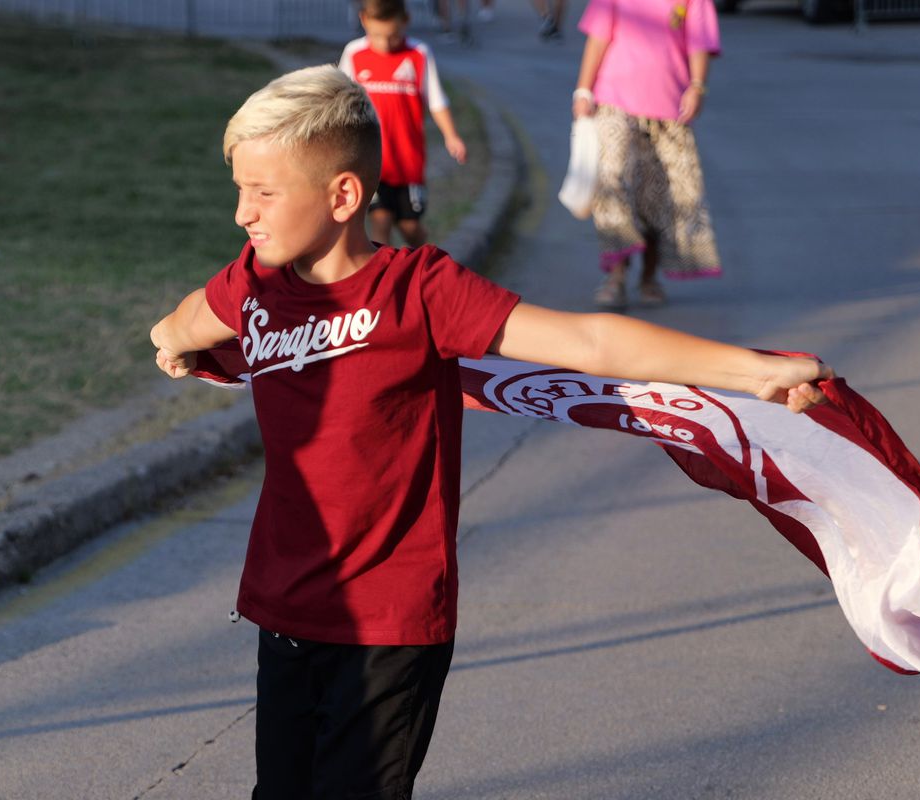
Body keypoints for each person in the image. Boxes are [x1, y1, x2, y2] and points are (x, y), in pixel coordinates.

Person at [149, 65, 833, 799]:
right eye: (240, 190)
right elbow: (188, 319)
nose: (241, 213)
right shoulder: (254, 284)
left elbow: (591, 345)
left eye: (262, 192)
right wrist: (173, 338)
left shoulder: (419, 291)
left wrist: (750, 369)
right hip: (285, 604)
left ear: (342, 195)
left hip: (390, 619)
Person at [573, 0, 721, 310]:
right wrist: (583, 89)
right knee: (612, 185)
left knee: (659, 198)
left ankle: (649, 277)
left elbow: (699, 41)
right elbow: (598, 36)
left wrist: (697, 86)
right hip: (614, 101)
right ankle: (615, 277)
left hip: (669, 109)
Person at [340, 0, 467, 247]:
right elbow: (341, 101)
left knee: (410, 227)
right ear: (364, 20)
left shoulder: (419, 54)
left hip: (408, 160)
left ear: (405, 21)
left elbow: (437, 100)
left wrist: (451, 135)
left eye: (393, 35)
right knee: (381, 219)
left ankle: (425, 262)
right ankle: (384, 283)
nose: (385, 43)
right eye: (377, 35)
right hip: (371, 159)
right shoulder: (354, 53)